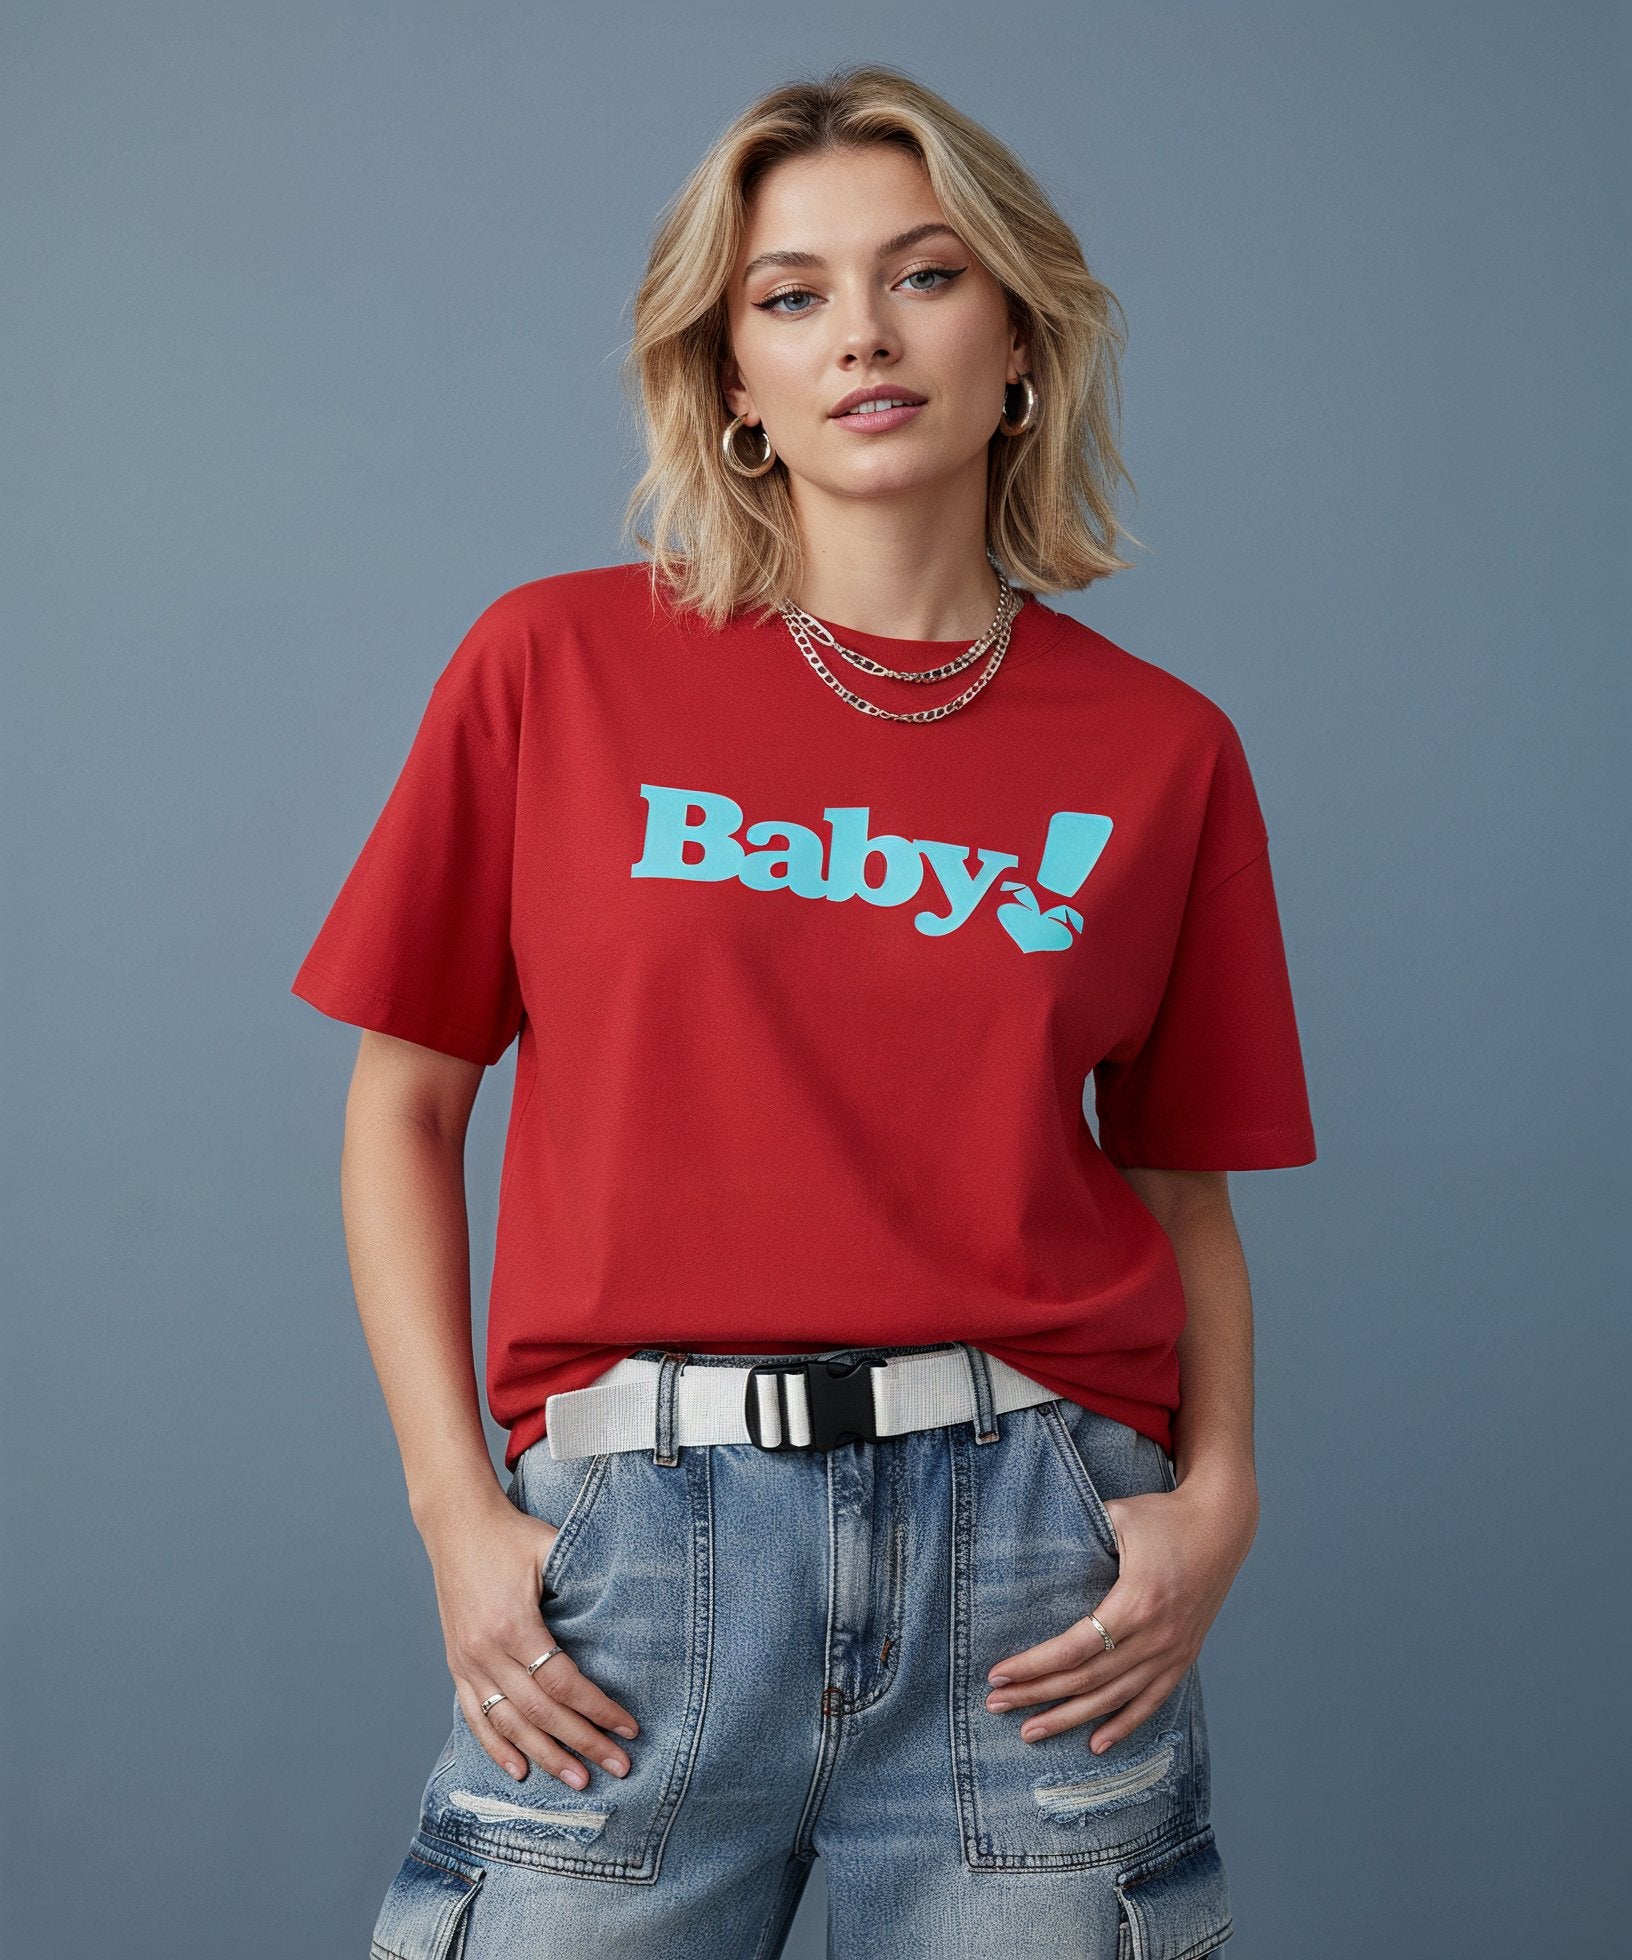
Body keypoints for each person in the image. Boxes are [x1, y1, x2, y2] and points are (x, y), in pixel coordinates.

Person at [292, 63, 1315, 1960]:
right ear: (731, 379)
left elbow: (1183, 1184)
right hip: (643, 1554)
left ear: (1018, 338)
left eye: (923, 276)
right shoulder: (553, 667)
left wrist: (1223, 1496)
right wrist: (457, 1509)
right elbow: (401, 1109)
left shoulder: (1162, 752)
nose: (861, 333)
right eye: (790, 294)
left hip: (1037, 1564)